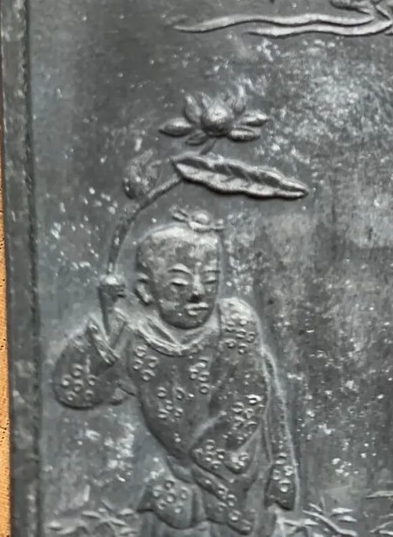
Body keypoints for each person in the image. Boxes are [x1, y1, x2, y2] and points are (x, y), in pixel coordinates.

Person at [53, 209, 296, 537]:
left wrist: (212, 456)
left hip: (238, 472)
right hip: (177, 481)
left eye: (210, 281)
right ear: (146, 289)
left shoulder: (234, 329)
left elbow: (250, 401)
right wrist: (102, 345)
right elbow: (75, 391)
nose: (198, 293)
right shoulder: (134, 341)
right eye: (180, 283)